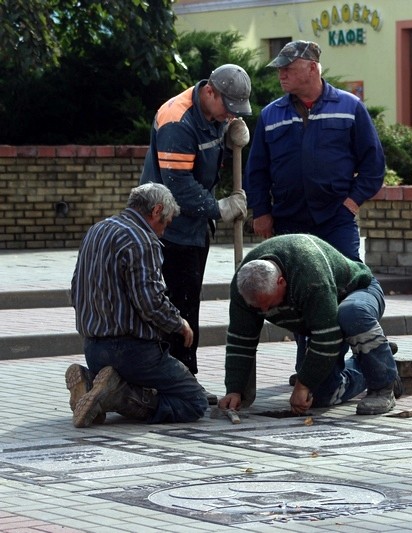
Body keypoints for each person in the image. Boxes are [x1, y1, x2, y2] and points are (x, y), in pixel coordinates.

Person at [139, 63, 252, 404]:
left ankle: (184, 380)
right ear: (210, 92)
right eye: (228, 108)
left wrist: (230, 136)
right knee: (175, 307)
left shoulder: (214, 112)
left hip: (193, 230)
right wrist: (220, 208)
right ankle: (175, 384)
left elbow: (209, 150)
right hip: (167, 229)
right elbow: (178, 188)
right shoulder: (177, 121)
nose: (230, 115)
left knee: (188, 305)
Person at [66, 183, 208, 428]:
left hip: (92, 348)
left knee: (145, 383)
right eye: (165, 223)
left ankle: (91, 383)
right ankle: (116, 395)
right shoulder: (141, 240)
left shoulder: (97, 230)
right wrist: (179, 324)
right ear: (156, 210)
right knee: (195, 401)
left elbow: (75, 287)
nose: (163, 232)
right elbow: (150, 302)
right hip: (132, 351)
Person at [217, 234, 402, 416]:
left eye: (269, 304)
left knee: (351, 313)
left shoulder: (309, 274)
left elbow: (327, 337)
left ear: (281, 282)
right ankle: (378, 358)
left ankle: (383, 386)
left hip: (358, 292)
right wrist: (234, 390)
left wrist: (303, 384)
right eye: (257, 307)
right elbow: (241, 339)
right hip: (315, 317)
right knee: (320, 396)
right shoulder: (244, 285)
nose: (264, 311)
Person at [244, 40, 385, 262]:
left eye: (288, 68)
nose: (281, 74)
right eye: (279, 69)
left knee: (350, 276)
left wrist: (351, 203)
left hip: (335, 218)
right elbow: (256, 170)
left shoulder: (350, 107)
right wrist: (261, 211)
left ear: (312, 67)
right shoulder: (271, 114)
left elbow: (373, 165)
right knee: (290, 279)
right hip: (287, 220)